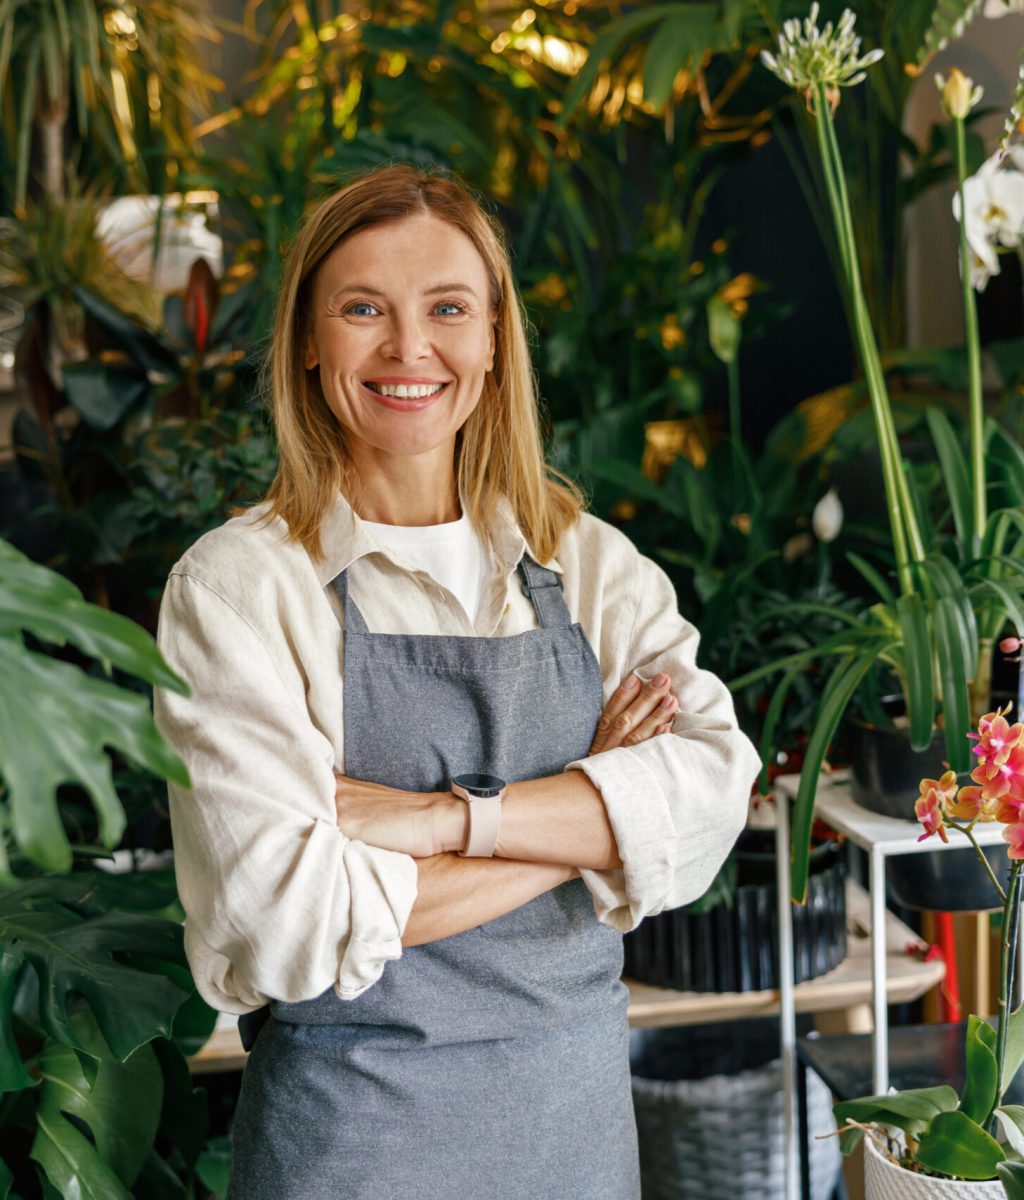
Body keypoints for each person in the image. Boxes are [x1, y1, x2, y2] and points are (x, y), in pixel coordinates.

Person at [153, 162, 761, 1200]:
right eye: (362, 309)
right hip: (353, 1151)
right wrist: (591, 816)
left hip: (576, 1145)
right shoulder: (239, 589)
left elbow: (711, 794)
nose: (408, 348)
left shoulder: (588, 564)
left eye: (447, 308)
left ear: (492, 338)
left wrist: (440, 821)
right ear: (307, 340)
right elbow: (288, 916)